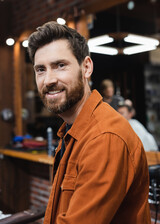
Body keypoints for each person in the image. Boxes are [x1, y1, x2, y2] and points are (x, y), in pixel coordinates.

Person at [28, 21, 151, 224]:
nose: (48, 80)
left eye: (60, 65)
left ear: (86, 67)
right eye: (41, 69)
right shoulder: (72, 131)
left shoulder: (105, 137)